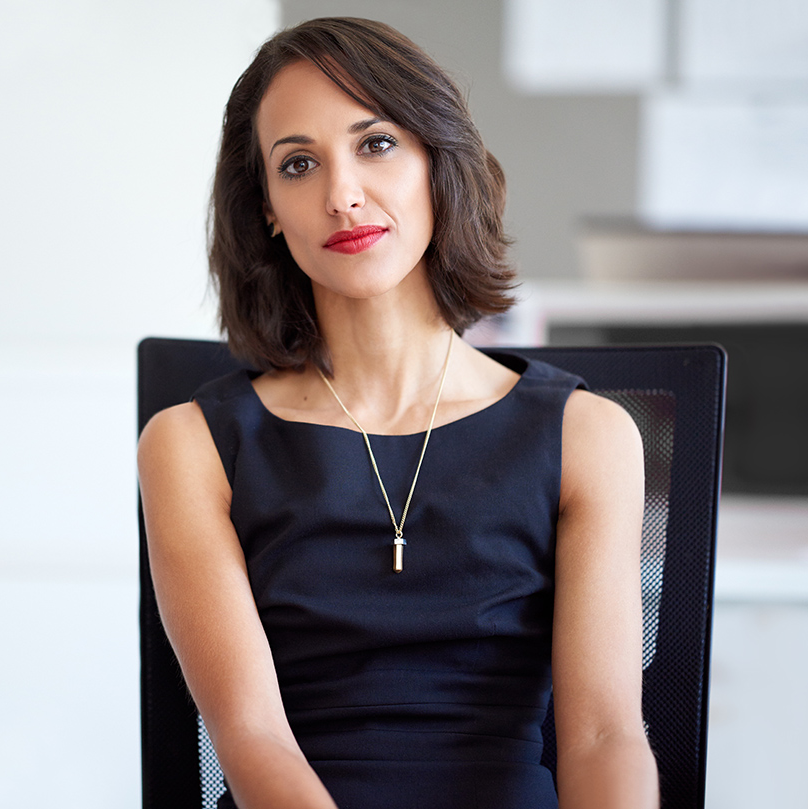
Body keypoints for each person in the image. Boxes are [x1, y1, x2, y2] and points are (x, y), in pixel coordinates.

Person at [137, 17, 659, 809]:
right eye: (298, 164)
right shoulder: (190, 444)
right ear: (268, 208)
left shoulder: (588, 435)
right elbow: (250, 737)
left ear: (436, 163)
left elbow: (604, 737)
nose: (341, 195)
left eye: (375, 144)